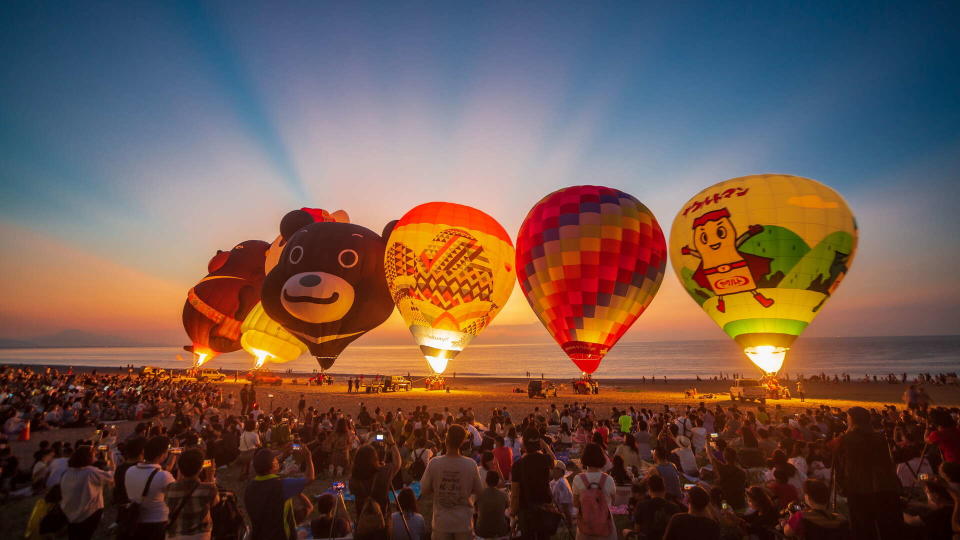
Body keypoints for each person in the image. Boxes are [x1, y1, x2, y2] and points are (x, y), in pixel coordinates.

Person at [835, 407, 902, 540]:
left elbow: (830, 452)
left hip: (859, 487)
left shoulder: (846, 439)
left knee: (862, 525)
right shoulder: (880, 437)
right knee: (885, 523)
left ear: (852, 420)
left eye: (848, 418)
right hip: (884, 485)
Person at [420, 424, 484, 540]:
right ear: (462, 442)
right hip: (464, 523)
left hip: (441, 522)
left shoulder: (434, 463)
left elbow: (424, 490)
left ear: (446, 440)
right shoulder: (471, 464)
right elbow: (480, 492)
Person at [245, 444, 316, 540]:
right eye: (275, 459)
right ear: (272, 465)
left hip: (259, 535)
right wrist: (308, 457)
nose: (277, 460)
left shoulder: (249, 488)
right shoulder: (283, 485)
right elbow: (310, 478)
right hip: (281, 536)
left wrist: (283, 455)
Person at [124, 436, 177, 540]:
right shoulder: (163, 476)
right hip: (157, 522)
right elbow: (177, 495)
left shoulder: (130, 470)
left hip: (134, 521)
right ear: (162, 455)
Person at [511, 427, 559, 540]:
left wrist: (512, 513)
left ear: (524, 443)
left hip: (526, 510)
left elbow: (515, 494)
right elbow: (555, 461)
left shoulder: (518, 465)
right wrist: (546, 446)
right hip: (544, 509)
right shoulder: (546, 459)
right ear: (539, 442)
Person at [59, 445, 114, 540]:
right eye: (93, 455)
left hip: (70, 513)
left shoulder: (67, 472)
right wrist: (111, 458)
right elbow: (111, 477)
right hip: (89, 513)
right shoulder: (90, 472)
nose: (95, 457)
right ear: (88, 458)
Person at [164, 449, 219, 540]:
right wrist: (210, 477)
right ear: (201, 468)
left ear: (179, 467)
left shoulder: (169, 488)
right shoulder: (209, 489)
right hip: (200, 535)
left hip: (175, 535)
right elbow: (215, 503)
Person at [350, 435, 402, 522]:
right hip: (382, 520)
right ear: (375, 458)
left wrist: (369, 441)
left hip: (362, 521)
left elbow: (361, 455)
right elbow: (397, 463)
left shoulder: (353, 480)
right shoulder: (383, 474)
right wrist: (392, 443)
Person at [572, 442, 617, 540]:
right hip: (606, 527)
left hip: (585, 526)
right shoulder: (609, 479)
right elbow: (613, 502)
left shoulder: (578, 479)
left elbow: (575, 504)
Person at [782, 479, 849, 539]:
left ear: (807, 497)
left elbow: (787, 532)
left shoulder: (801, 517)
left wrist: (790, 518)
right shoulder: (841, 519)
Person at [625, 474, 682, 540]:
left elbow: (637, 529)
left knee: (625, 532)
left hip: (646, 538)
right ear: (664, 488)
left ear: (649, 490)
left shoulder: (642, 505)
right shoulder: (674, 507)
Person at [708, 447, 747, 512]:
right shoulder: (742, 472)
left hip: (725, 503)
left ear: (724, 457)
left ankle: (724, 513)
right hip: (740, 504)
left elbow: (710, 456)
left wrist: (707, 442)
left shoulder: (722, 469)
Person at [476, 470, 510, 539]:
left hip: (481, 531)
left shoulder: (479, 494)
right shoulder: (503, 495)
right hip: (501, 530)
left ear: (486, 480)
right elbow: (507, 507)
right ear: (497, 481)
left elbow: (476, 509)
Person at [550, 461, 574, 528]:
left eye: (554, 468)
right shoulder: (555, 481)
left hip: (563, 515)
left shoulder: (561, 483)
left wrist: (570, 524)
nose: (552, 470)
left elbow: (565, 505)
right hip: (559, 512)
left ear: (560, 471)